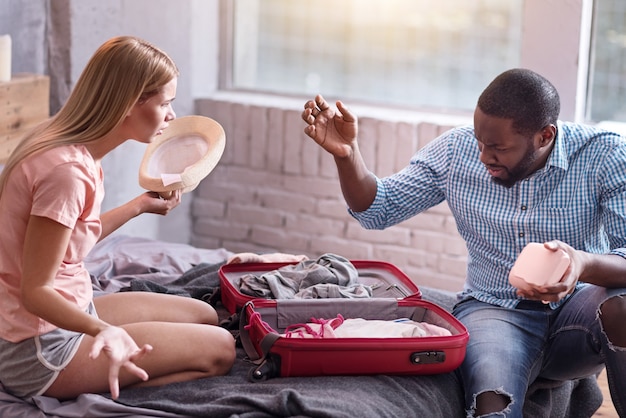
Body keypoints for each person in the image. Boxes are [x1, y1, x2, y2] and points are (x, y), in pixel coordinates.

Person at [301, 68, 626, 417]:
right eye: (480, 142)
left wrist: (581, 263)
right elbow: (377, 210)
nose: (484, 156)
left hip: (576, 311)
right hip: (493, 310)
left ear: (544, 136)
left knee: (622, 306)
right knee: (492, 405)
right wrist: (347, 154)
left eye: (499, 147)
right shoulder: (456, 151)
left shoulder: (603, 156)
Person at [0, 36, 236, 402]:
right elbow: (35, 292)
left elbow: (68, 244)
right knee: (220, 349)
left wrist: (139, 206)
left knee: (205, 315)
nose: (171, 116)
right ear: (128, 103)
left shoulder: (70, 147)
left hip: (72, 307)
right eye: (165, 103)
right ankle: (103, 385)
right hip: (41, 347)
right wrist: (102, 330)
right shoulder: (66, 173)